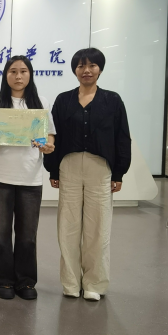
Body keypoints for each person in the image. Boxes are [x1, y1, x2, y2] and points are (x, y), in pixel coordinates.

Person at [44, 47, 131, 302]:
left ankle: (94, 283)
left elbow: (122, 137)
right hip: (69, 167)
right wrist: (53, 168)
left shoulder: (112, 100)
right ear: (75, 70)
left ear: (100, 69)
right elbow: (53, 135)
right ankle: (71, 283)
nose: (87, 70)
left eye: (92, 65)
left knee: (98, 229)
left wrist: (119, 173)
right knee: (68, 228)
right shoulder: (63, 100)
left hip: (100, 168)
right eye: (81, 66)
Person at [0, 55, 56, 300]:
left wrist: (48, 145)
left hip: (30, 178)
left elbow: (50, 134)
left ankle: (26, 282)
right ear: (6, 75)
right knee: (0, 233)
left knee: (27, 235)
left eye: (23, 71)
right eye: (13, 71)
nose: (18, 76)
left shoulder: (40, 102)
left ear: (30, 74)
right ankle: (2, 281)